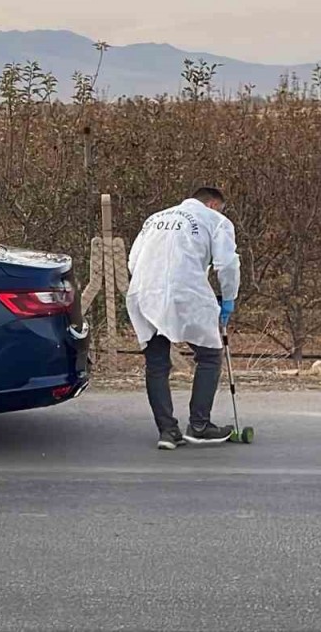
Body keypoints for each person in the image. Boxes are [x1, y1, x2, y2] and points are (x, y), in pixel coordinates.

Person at [126, 187, 241, 450]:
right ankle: (199, 425)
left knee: (156, 364)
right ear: (213, 204)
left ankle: (167, 431)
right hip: (186, 292)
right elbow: (227, 264)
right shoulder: (216, 221)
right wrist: (228, 297)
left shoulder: (154, 218)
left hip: (144, 293)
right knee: (210, 355)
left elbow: (133, 261)